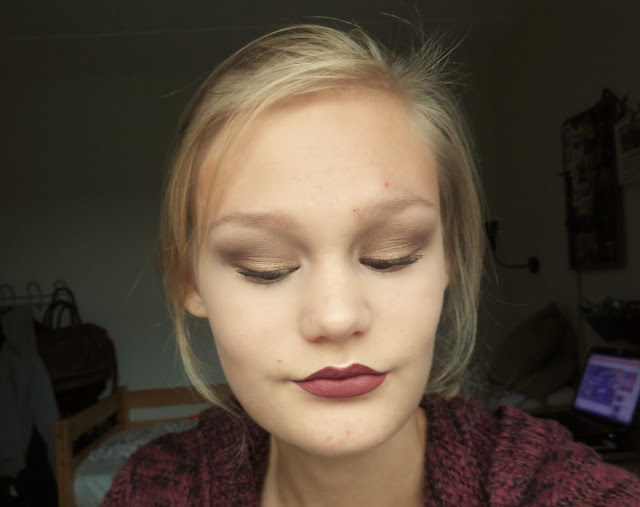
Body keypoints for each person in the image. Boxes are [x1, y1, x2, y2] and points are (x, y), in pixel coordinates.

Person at [103, 23, 640, 506]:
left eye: (392, 255)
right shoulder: (155, 489)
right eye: (265, 266)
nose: (337, 317)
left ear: (448, 258)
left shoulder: (546, 484)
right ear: (190, 282)